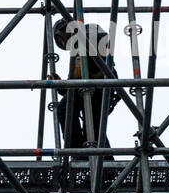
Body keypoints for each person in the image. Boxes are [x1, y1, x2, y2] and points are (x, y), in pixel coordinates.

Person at [52, 17, 121, 153]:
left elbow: (103, 39)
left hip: (100, 84)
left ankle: (79, 152)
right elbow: (73, 84)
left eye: (61, 37)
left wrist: (80, 40)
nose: (62, 42)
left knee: (89, 124)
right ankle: (83, 153)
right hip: (87, 87)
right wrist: (62, 87)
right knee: (92, 127)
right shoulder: (76, 54)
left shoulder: (89, 30)